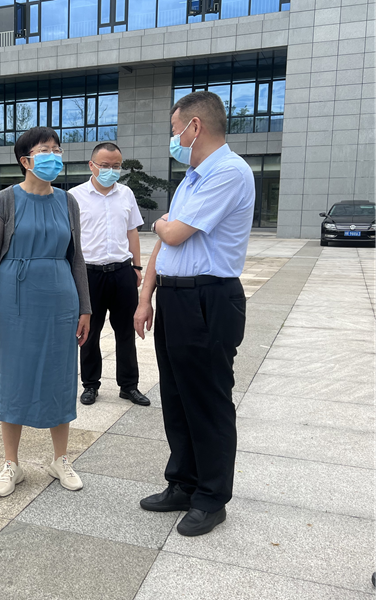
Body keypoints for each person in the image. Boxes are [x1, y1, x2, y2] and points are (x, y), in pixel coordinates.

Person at [134, 91, 254, 537]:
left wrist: (160, 223)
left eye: (175, 130)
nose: (175, 139)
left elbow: (174, 233)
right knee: (177, 397)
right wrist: (146, 296)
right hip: (176, 298)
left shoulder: (229, 172)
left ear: (195, 127)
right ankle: (183, 483)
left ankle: (211, 498)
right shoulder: (192, 178)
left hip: (209, 298)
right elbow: (164, 244)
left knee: (207, 400)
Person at [0, 126, 92, 497]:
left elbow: (77, 258)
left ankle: (61, 459)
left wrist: (85, 307)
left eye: (57, 149)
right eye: (45, 150)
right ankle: (12, 463)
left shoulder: (68, 202)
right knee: (13, 375)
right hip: (14, 299)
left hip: (60, 298)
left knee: (60, 373)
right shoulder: (4, 200)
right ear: (25, 160)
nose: (53, 156)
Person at [70, 142, 151, 408]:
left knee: (126, 331)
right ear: (91, 165)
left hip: (121, 272)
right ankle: (90, 385)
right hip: (89, 275)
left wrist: (137, 267)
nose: (111, 170)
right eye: (105, 165)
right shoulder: (74, 197)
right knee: (89, 332)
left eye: (116, 166)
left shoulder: (126, 194)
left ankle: (129, 386)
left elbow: (132, 231)